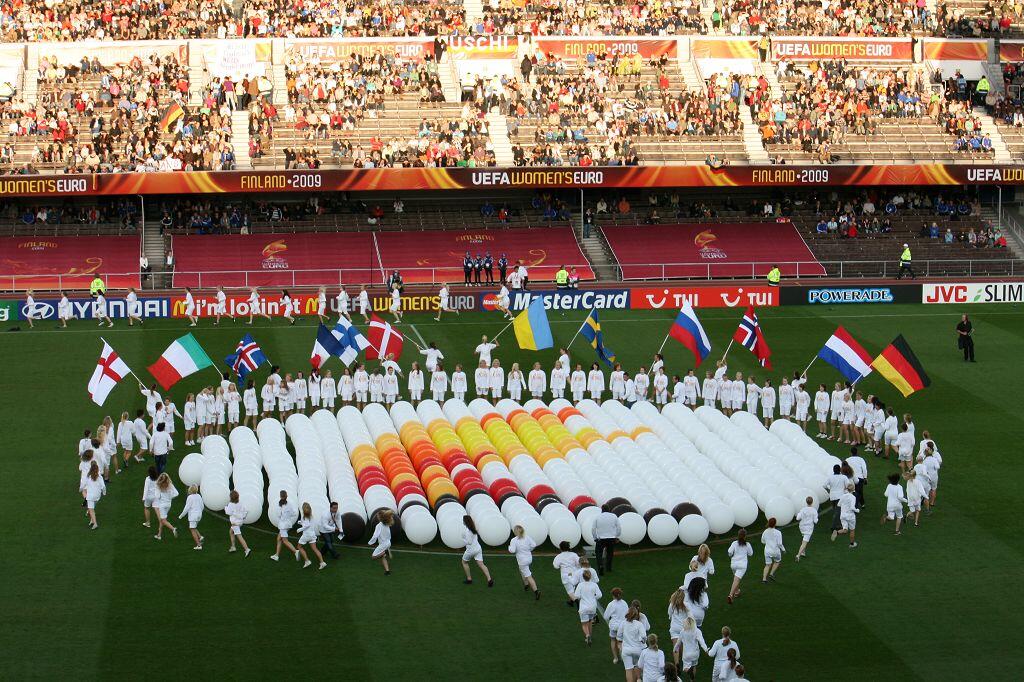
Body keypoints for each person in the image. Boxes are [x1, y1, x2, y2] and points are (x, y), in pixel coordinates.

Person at [508, 525, 540, 598]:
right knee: (522, 570)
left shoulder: (514, 540)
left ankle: (536, 591)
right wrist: (529, 549)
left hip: (522, 561)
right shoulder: (527, 537)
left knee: (528, 576)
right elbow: (534, 544)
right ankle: (526, 584)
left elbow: (512, 550)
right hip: (529, 558)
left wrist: (509, 547)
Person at [461, 515, 493, 586]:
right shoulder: (473, 528)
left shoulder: (467, 531)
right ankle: (489, 579)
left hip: (471, 550)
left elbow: (469, 542)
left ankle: (469, 579)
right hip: (478, 549)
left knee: (464, 562)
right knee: (481, 564)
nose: (462, 521)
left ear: (465, 522)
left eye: (463, 520)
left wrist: (463, 538)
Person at [618, 606, 649, 678]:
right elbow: (644, 636)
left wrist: (620, 643)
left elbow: (619, 636)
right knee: (637, 667)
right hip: (637, 650)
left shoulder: (623, 623)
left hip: (626, 650)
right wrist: (643, 641)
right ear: (635, 615)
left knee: (628, 670)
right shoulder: (639, 624)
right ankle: (638, 679)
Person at [574, 570, 602, 645]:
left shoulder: (580, 585)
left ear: (583, 577)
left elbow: (577, 596)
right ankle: (590, 637)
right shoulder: (594, 585)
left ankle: (587, 635)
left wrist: (582, 597)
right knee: (590, 621)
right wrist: (593, 598)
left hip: (583, 607)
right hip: (592, 607)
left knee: (584, 624)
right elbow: (599, 595)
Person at [270, 490, 300, 561]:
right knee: (279, 539)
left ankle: (296, 551)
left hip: (283, 526)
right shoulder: (290, 504)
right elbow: (294, 513)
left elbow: (278, 515)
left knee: (285, 541)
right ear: (286, 496)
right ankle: (277, 555)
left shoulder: (279, 504)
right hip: (288, 524)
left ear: (280, 496)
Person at [296, 502, 328, 569]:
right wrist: (300, 522)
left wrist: (300, 529)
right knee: (315, 549)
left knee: (299, 547)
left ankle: (307, 561)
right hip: (312, 535)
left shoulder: (304, 516)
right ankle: (322, 562)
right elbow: (307, 523)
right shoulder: (311, 516)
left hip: (306, 535)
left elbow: (307, 525)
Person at [592, 504, 620, 575]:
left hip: (601, 539)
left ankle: (600, 566)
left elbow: (593, 529)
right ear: (609, 509)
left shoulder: (597, 517)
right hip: (611, 538)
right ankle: (609, 568)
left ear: (602, 509)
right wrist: (616, 536)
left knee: (598, 553)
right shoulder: (614, 516)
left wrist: (595, 538)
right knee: (610, 553)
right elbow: (619, 528)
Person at [726, 528, 752, 604]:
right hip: (742, 565)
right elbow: (751, 554)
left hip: (733, 564)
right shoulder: (747, 544)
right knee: (736, 580)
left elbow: (729, 552)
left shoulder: (734, 543)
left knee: (736, 579)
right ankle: (731, 595)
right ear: (745, 536)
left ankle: (737, 591)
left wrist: (731, 555)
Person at [604, 587, 628, 664]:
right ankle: (623, 657)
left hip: (614, 626)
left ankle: (615, 658)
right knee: (621, 642)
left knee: (613, 640)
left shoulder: (611, 604)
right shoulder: (624, 603)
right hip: (623, 627)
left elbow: (606, 617)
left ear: (613, 595)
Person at [831, 483, 860, 547]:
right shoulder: (853, 497)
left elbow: (838, 505)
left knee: (845, 530)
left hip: (843, 515)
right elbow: (852, 507)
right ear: (853, 490)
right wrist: (857, 510)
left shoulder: (843, 496)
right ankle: (852, 544)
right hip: (850, 516)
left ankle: (837, 532)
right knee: (852, 530)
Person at [553, 541, 581, 605]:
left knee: (570, 591)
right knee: (573, 587)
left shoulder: (559, 556)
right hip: (575, 574)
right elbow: (579, 563)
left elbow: (556, 566)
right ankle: (571, 601)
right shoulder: (574, 554)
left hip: (566, 575)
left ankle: (577, 602)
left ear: (560, 548)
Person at [224, 490, 252, 556]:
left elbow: (228, 512)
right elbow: (244, 510)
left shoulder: (231, 504)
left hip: (235, 523)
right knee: (231, 532)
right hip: (239, 521)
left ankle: (247, 549)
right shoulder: (240, 503)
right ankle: (233, 546)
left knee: (239, 536)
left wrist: (225, 507)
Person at [178, 485, 205, 549]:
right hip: (199, 515)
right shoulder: (198, 496)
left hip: (193, 516)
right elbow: (202, 506)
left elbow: (186, 508)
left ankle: (199, 545)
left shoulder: (190, 497)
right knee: (194, 527)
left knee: (192, 529)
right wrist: (200, 512)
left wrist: (181, 516)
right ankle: (200, 537)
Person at [153, 473, 178, 540]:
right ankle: (159, 535)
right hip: (168, 505)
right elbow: (176, 493)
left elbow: (157, 496)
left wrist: (161, 495)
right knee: (162, 519)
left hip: (162, 505)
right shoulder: (170, 485)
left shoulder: (158, 485)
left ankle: (173, 529)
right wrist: (170, 497)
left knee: (163, 520)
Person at [80, 461, 105, 529]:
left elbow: (83, 485)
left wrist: (81, 489)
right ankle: (92, 520)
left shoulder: (88, 477)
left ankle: (95, 524)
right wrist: (104, 493)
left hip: (90, 496)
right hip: (97, 495)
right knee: (91, 508)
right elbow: (103, 486)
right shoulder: (100, 477)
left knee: (91, 510)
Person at [368, 509, 394, 574]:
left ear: (379, 517)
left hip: (384, 545)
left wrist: (370, 542)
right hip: (388, 543)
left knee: (373, 557)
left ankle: (385, 552)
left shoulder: (379, 525)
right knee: (382, 556)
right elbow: (389, 535)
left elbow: (375, 535)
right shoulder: (387, 524)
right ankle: (387, 571)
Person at [760, 517, 785, 583]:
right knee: (777, 561)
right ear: (775, 524)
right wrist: (783, 549)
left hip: (767, 551)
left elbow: (762, 541)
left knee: (767, 565)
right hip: (776, 551)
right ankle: (771, 573)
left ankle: (764, 579)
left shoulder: (765, 531)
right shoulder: (778, 532)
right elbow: (780, 543)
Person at [794, 496, 819, 561]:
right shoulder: (814, 510)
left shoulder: (803, 509)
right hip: (809, 528)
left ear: (806, 502)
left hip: (802, 527)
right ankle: (798, 555)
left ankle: (803, 552)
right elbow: (815, 521)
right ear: (812, 502)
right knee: (804, 542)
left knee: (804, 539)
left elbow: (797, 518)